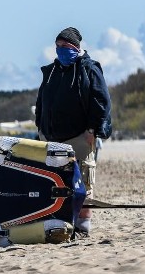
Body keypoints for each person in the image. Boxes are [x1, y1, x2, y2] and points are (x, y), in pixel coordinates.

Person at [35, 27, 112, 237]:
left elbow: (101, 101)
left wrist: (93, 129)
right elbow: (42, 101)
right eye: (57, 46)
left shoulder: (89, 68)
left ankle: (83, 225)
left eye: (64, 46)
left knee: (84, 182)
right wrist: (40, 128)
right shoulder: (51, 71)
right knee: (57, 183)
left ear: (75, 47)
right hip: (52, 138)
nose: (60, 50)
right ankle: (61, 222)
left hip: (80, 136)